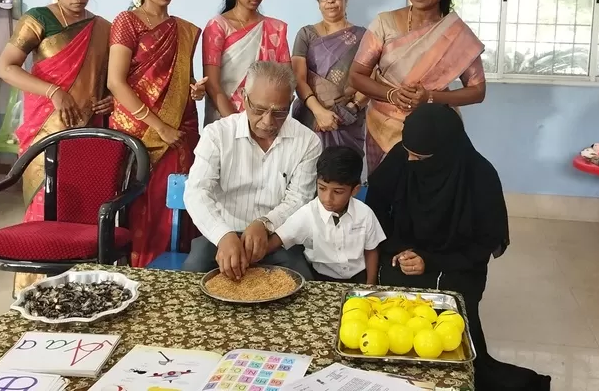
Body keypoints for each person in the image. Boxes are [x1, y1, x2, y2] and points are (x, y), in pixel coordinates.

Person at [367, 104, 550, 391]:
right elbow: (375, 211)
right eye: (409, 152)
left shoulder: (480, 176)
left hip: (456, 262)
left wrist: (430, 260)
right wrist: (400, 249)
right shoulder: (401, 157)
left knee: (450, 310)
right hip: (402, 252)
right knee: (387, 309)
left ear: (444, 153)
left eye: (420, 157)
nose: (410, 161)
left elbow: (483, 244)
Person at [0, 0, 113, 292]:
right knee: (44, 203)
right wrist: (53, 91)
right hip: (46, 128)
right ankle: (33, 289)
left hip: (89, 130)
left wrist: (109, 100)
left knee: (84, 204)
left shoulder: (102, 28)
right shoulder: (38, 20)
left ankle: (82, 288)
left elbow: (106, 79)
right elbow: (5, 67)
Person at [106, 0, 209, 267]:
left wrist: (195, 90)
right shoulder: (127, 22)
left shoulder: (182, 30)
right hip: (140, 131)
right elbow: (115, 82)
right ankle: (145, 269)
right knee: (145, 204)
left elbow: (183, 80)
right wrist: (158, 125)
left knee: (181, 199)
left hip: (180, 127)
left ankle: (181, 268)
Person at [350, 0, 487, 174]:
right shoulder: (385, 23)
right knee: (385, 189)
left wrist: (430, 98)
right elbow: (356, 76)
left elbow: (478, 91)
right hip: (383, 127)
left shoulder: (457, 34)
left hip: (434, 131)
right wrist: (392, 94)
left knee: (429, 190)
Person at [183, 61, 321, 280]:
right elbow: (196, 192)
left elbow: (299, 198)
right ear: (244, 97)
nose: (267, 122)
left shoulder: (307, 142)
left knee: (302, 284)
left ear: (291, 102)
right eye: (259, 109)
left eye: (279, 112)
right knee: (190, 282)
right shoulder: (217, 135)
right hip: (221, 235)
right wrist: (223, 235)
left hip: (275, 240)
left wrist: (265, 224)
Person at [268, 145, 384, 284]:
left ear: (355, 190)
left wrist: (370, 285)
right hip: (321, 280)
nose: (327, 198)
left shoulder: (365, 214)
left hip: (359, 278)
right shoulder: (307, 214)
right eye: (322, 188)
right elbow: (277, 239)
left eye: (338, 192)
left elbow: (371, 250)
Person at [201, 0, 290, 124]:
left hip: (266, 122)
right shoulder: (218, 26)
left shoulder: (275, 29)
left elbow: (286, 81)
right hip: (225, 121)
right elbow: (212, 85)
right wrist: (237, 124)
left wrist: (266, 120)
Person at [291, 0, 368, 155]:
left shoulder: (363, 36)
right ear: (318, 1)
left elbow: (370, 78)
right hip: (310, 118)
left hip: (348, 120)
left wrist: (351, 108)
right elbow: (298, 79)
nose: (330, 0)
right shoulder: (306, 35)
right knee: (308, 169)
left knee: (344, 169)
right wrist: (319, 112)